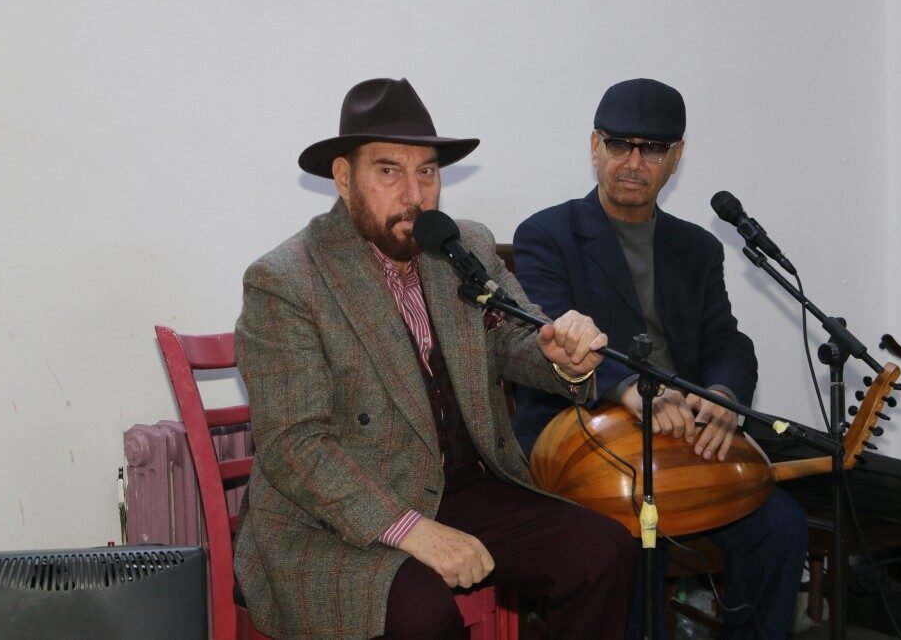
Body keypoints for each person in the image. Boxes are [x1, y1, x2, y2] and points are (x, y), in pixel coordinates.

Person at [233, 78, 636, 640]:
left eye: (427, 171)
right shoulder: (286, 280)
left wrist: (563, 359)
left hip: (461, 491)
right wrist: (412, 530)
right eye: (389, 171)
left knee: (603, 551)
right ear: (344, 178)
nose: (414, 194)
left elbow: (516, 338)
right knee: (422, 614)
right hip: (330, 521)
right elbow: (296, 446)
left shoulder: (461, 246)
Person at [510, 78, 808, 639]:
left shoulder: (698, 247)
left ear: (676, 157)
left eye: (652, 149)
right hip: (580, 439)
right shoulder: (547, 235)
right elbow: (542, 338)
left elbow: (726, 341)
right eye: (619, 144)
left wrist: (723, 396)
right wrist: (629, 388)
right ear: (594, 146)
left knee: (782, 525)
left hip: (677, 446)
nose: (633, 162)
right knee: (629, 541)